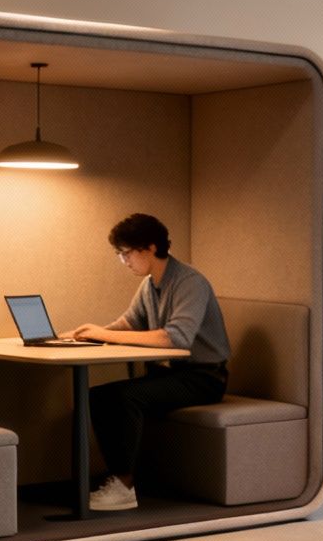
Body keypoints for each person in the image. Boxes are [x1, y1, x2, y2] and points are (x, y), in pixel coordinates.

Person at [68, 213, 232, 511]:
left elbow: (176, 338)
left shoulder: (189, 282)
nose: (124, 261)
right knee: (99, 395)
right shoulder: (149, 284)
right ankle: (119, 481)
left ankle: (124, 487)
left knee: (123, 398)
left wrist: (106, 335)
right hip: (170, 374)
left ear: (149, 248)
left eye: (126, 253)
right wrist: (81, 335)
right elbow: (130, 323)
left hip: (203, 379)